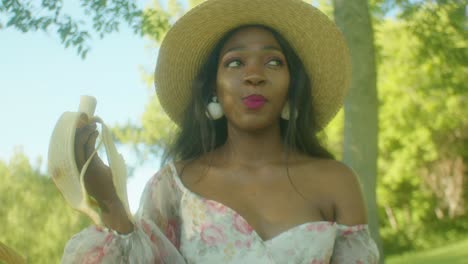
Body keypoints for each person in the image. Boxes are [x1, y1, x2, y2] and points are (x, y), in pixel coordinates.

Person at [63, 0, 380, 263]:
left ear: (292, 87)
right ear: (212, 90)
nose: (254, 74)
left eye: (273, 62)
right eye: (235, 63)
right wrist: (109, 200)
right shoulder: (173, 188)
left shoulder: (336, 182)